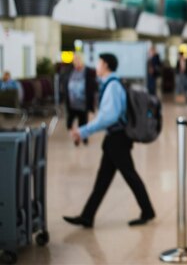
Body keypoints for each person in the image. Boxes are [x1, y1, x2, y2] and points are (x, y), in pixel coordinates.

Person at [63, 53, 155, 228]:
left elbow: (108, 117)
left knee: (129, 175)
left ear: (105, 65)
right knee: (103, 179)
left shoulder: (112, 86)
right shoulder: (111, 83)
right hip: (114, 139)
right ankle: (87, 216)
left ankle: (148, 211)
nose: (96, 65)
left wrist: (83, 131)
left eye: (98, 62)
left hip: (117, 139)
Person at [64, 54, 97, 145]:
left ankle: (82, 137)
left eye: (78, 60)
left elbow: (92, 87)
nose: (77, 61)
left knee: (83, 122)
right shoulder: (70, 70)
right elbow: (66, 83)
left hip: (83, 102)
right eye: (75, 60)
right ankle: (76, 136)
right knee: (69, 123)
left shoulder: (88, 71)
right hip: (72, 102)